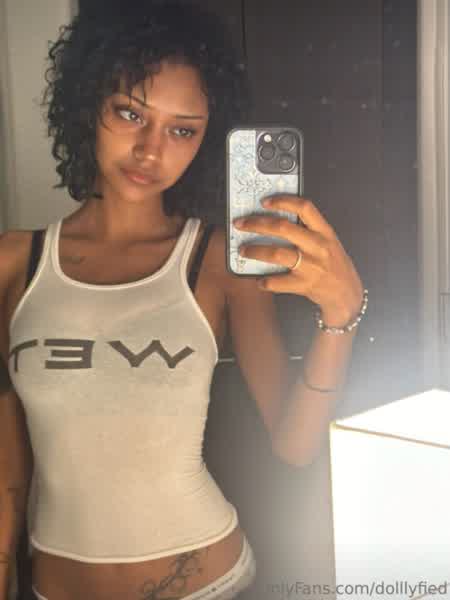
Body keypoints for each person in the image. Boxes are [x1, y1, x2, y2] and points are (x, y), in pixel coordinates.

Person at [0, 2, 367, 599]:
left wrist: (342, 315)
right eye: (130, 113)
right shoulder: (15, 263)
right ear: (88, 104)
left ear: (206, 139)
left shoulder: (218, 262)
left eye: (182, 130)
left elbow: (295, 444)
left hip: (207, 584)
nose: (151, 150)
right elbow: (8, 471)